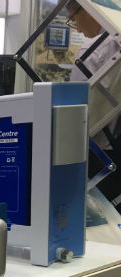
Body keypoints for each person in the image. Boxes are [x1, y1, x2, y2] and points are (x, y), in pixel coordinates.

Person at [66, 0, 121, 210]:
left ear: (87, 10)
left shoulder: (91, 52)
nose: (77, 28)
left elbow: (76, 111)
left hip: (99, 154)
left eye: (73, 19)